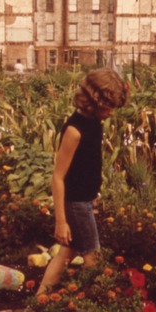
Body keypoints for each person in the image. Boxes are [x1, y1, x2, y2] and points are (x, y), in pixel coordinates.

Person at [32, 68, 130, 298]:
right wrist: (61, 222)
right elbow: (57, 177)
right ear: (93, 102)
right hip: (77, 205)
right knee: (93, 260)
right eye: (109, 107)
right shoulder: (75, 131)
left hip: (82, 202)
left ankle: (36, 307)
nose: (112, 113)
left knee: (66, 252)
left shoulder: (94, 124)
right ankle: (93, 310)